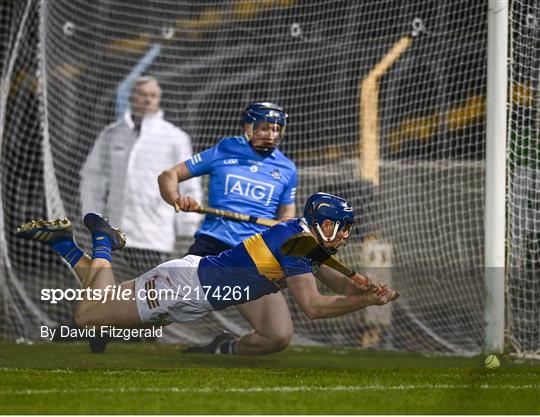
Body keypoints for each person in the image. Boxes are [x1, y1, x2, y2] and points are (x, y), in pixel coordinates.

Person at [15, 193, 399, 355]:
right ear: (319, 222)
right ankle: (102, 240)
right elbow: (313, 305)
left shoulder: (306, 239)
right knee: (87, 317)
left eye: (347, 227)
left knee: (104, 301)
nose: (344, 235)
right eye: (338, 226)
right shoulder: (294, 241)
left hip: (191, 290)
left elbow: (339, 282)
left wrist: (364, 287)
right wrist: (363, 300)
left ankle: (63, 243)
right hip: (182, 288)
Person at [157, 102, 299, 354]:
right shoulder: (225, 149)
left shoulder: (287, 168)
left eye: (277, 129)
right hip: (214, 245)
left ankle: (223, 348)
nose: (271, 134)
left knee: (278, 336)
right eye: (264, 127)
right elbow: (168, 175)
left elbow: (287, 218)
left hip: (256, 254)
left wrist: (285, 229)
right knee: (162, 303)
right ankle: (104, 326)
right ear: (248, 126)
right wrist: (177, 199)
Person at [80, 75, 202, 279]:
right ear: (131, 97)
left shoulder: (175, 138)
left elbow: (189, 184)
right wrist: (92, 217)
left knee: (149, 299)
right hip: (114, 234)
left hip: (153, 235)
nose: (148, 100)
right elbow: (93, 178)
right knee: (113, 295)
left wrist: (187, 227)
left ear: (159, 100)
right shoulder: (112, 134)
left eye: (153, 96)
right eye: (142, 94)